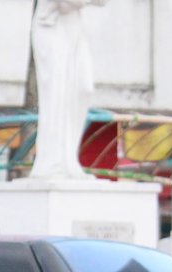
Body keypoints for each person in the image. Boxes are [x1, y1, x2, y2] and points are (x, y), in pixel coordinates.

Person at [28, 0, 108, 180]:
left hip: (73, 27)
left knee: (83, 89)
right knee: (55, 96)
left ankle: (69, 160)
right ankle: (52, 162)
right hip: (50, 26)